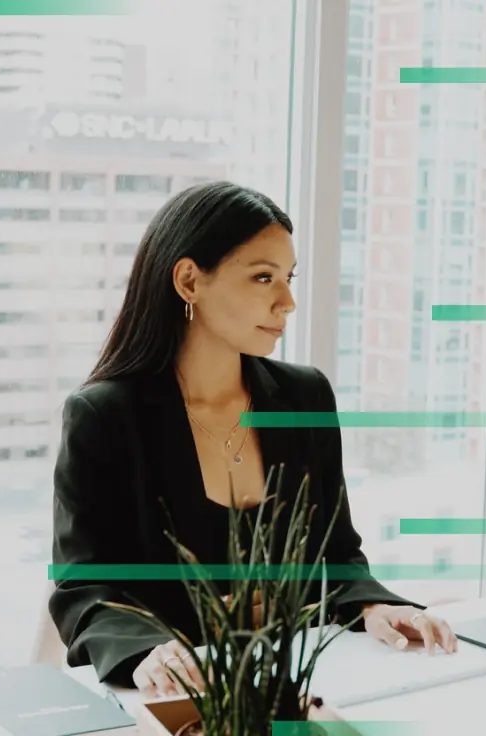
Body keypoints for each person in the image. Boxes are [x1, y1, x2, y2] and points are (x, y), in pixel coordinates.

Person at [49, 181, 458, 700]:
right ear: (189, 281)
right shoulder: (105, 416)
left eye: (288, 278)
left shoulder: (304, 395)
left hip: (305, 684)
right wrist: (147, 650)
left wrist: (372, 606)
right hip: (183, 697)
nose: (287, 301)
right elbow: (84, 585)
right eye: (263, 277)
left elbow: (336, 552)